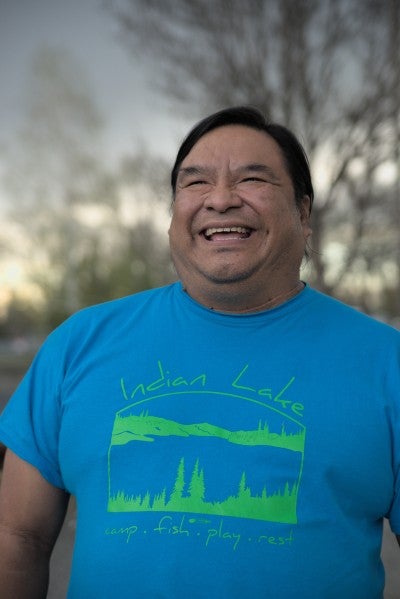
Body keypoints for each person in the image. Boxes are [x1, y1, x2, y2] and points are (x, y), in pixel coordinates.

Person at [0, 106, 399, 598]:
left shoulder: (386, 364)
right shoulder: (78, 344)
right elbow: (17, 536)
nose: (221, 199)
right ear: (173, 217)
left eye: (253, 178)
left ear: (303, 213)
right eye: (195, 183)